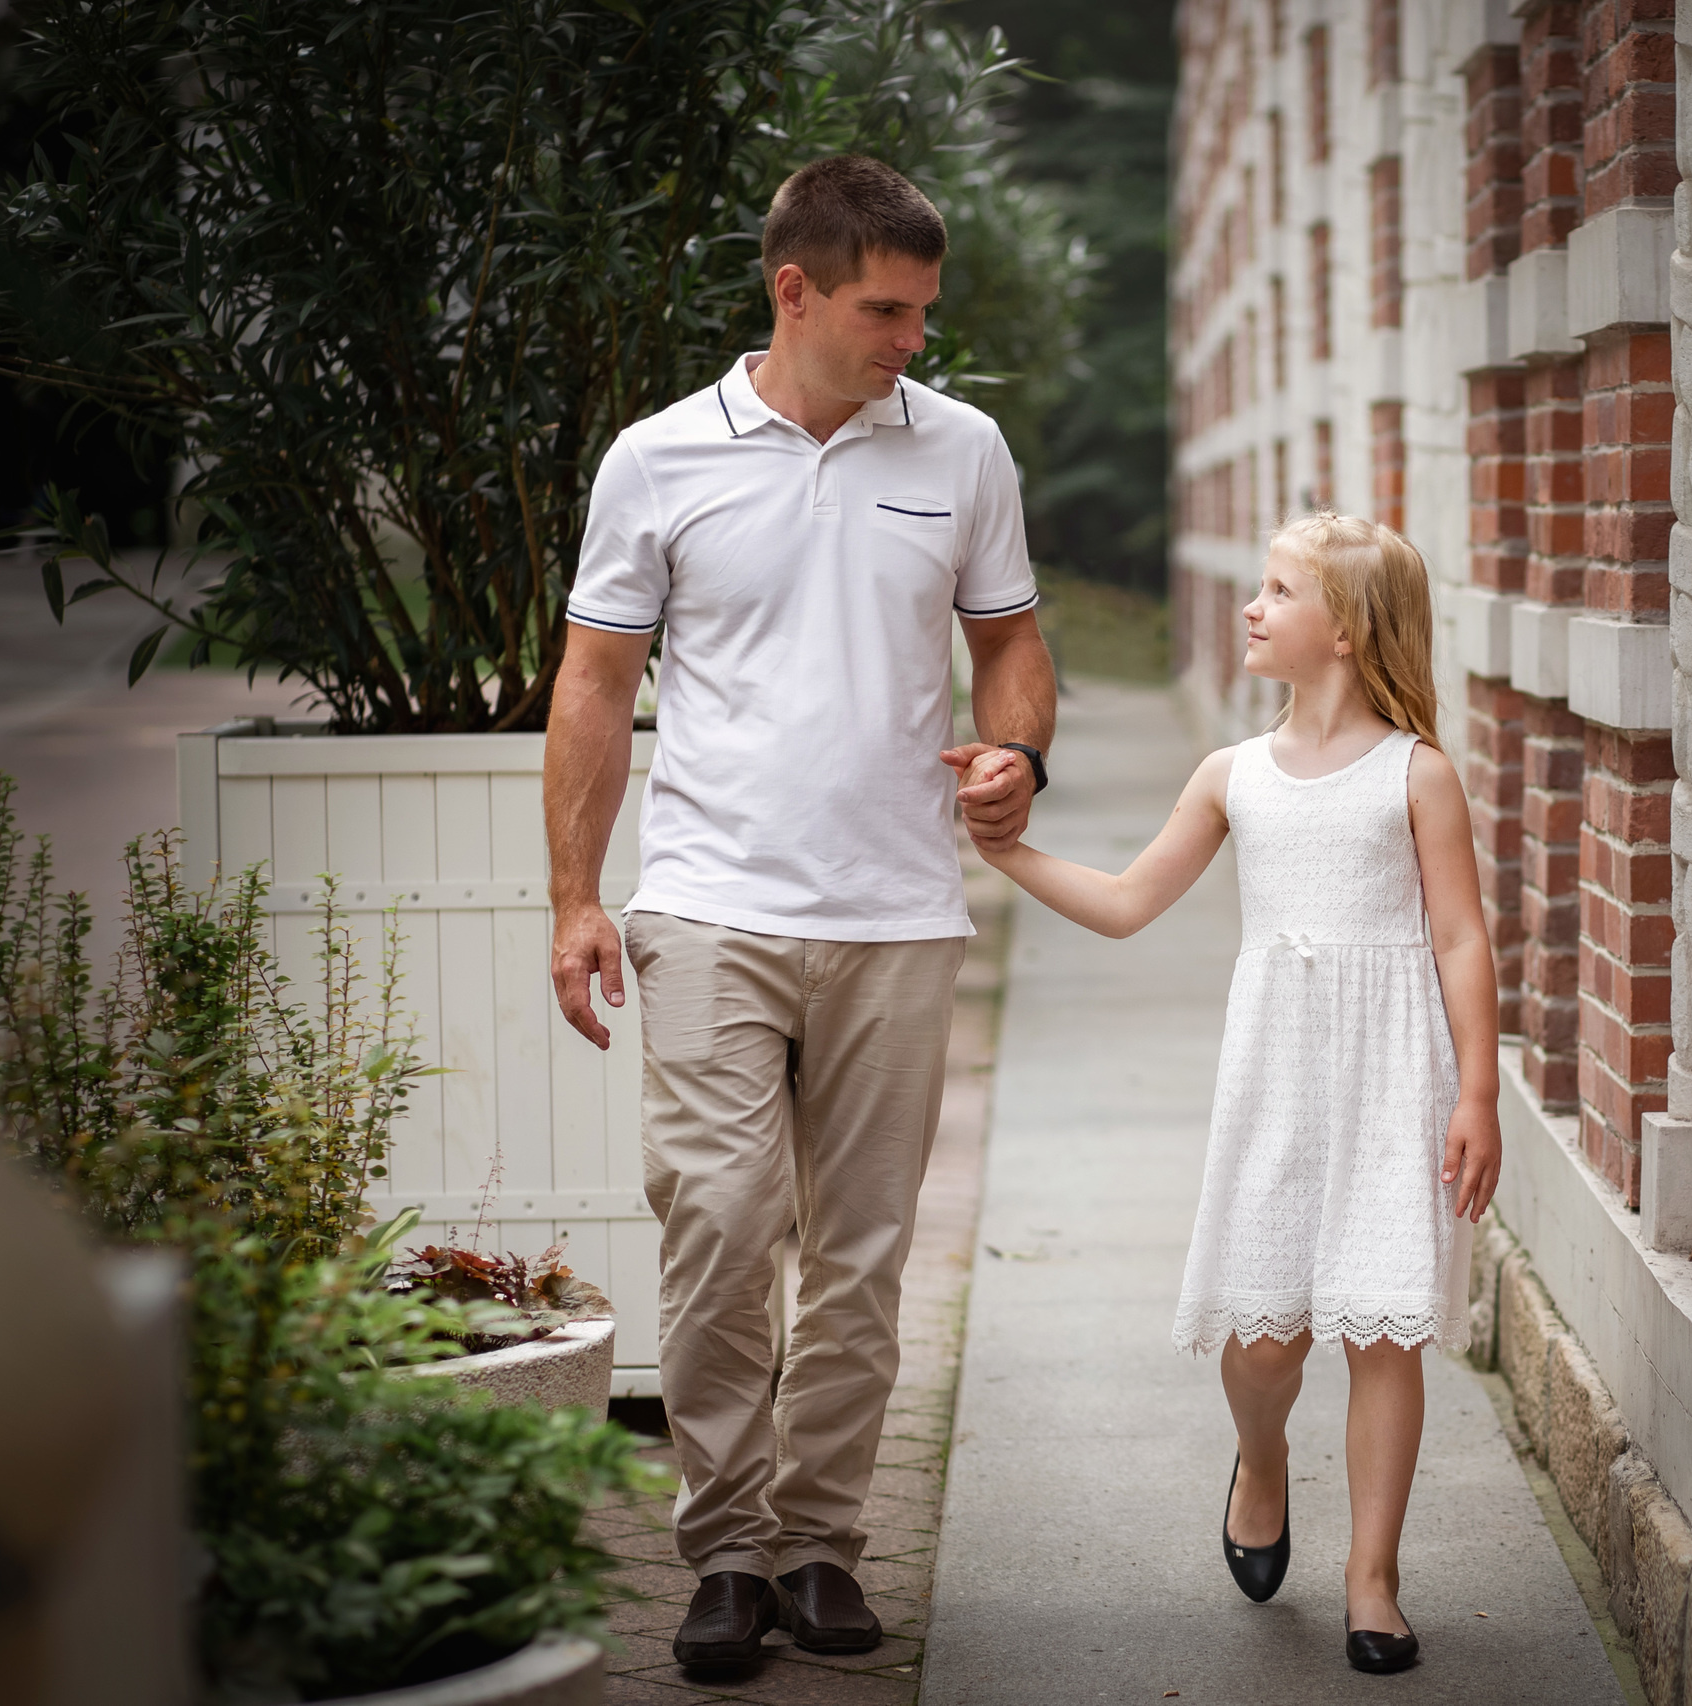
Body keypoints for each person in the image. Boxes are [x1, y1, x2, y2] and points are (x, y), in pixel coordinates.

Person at [541, 154, 1056, 1671]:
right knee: (716, 1220)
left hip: (900, 910)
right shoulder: (658, 459)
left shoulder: (963, 450)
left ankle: (823, 1542)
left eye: (922, 311)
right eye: (886, 309)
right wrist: (577, 895)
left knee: (862, 1250)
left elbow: (1014, 644)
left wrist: (1018, 751)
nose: (914, 338)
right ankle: (724, 1549)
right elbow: (594, 683)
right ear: (795, 289)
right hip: (708, 903)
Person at [969, 511, 1502, 1676]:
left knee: (1380, 1331)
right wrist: (1008, 852)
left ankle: (1374, 1579)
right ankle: (1260, 1460)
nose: (1250, 608)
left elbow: (1459, 937)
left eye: (1275, 590)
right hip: (1277, 1071)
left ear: (1348, 631)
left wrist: (1477, 1093)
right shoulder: (1234, 775)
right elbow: (1122, 901)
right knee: (1265, 1342)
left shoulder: (1417, 775)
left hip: (1390, 1074)